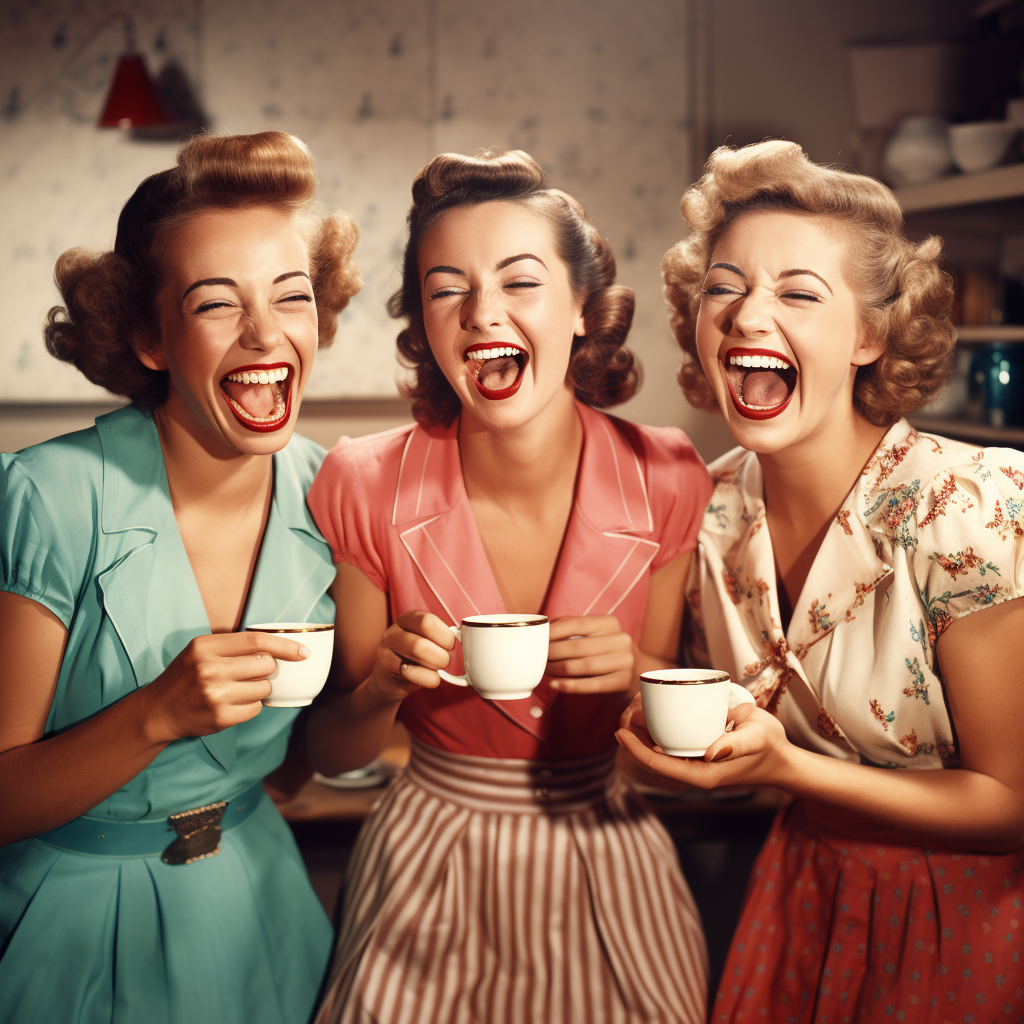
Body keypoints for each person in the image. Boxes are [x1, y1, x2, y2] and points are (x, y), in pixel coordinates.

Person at [616, 139, 1024, 1021]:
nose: (747, 315)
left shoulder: (968, 507)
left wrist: (789, 769)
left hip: (969, 918)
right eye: (723, 288)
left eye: (799, 293)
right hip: (799, 894)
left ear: (870, 336)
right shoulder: (706, 505)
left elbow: (1009, 803)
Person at [304, 148, 712, 1023]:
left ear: (582, 311)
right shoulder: (362, 481)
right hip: (425, 857)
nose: (482, 311)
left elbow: (676, 766)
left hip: (607, 858)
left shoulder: (669, 474)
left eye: (519, 281)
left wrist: (639, 677)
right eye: (446, 288)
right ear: (424, 324)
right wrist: (382, 681)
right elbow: (334, 752)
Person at [0, 131, 361, 1024]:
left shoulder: (337, 495)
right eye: (215, 305)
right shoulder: (49, 494)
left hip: (262, 904)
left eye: (293, 297)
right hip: (72, 928)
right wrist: (154, 715)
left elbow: (283, 771)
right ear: (150, 338)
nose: (267, 334)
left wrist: (387, 685)